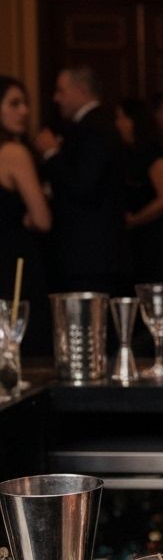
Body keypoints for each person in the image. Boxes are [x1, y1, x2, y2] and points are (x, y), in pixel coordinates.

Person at [33, 65, 128, 294]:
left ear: (81, 90)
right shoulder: (92, 125)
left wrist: (51, 154)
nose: (56, 98)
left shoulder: (94, 127)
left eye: (61, 91)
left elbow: (84, 186)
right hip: (90, 256)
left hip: (89, 256)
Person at [0, 76, 52, 354]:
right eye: (14, 103)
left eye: (24, 103)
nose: (24, 111)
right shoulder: (14, 152)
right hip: (15, 261)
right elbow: (43, 219)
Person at [116, 98, 163, 283]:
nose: (117, 123)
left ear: (134, 121)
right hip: (140, 241)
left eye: (121, 117)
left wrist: (133, 220)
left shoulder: (155, 152)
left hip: (158, 241)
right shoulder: (129, 152)